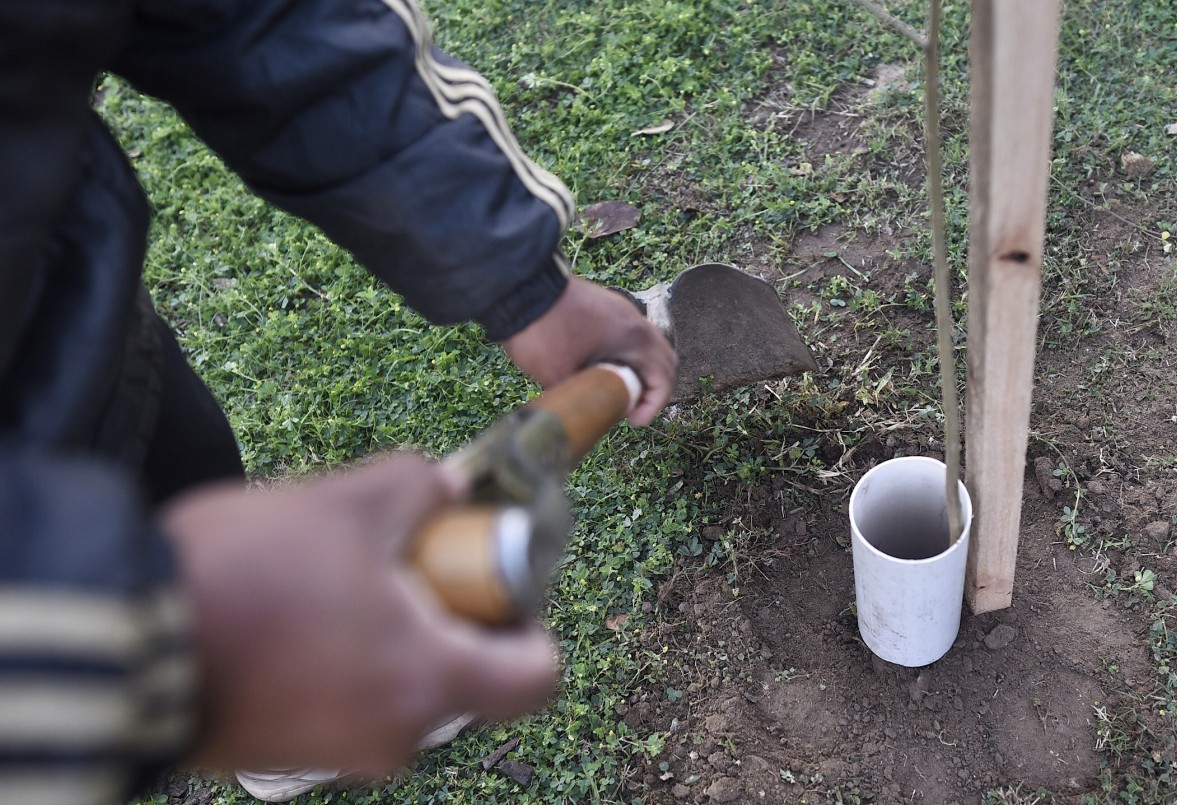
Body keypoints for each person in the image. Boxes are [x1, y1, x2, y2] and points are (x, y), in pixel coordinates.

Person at [0, 1, 678, 803]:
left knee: (185, 468)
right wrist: (160, 636)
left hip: (67, 326)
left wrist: (521, 280)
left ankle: (283, 710)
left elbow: (261, 20)